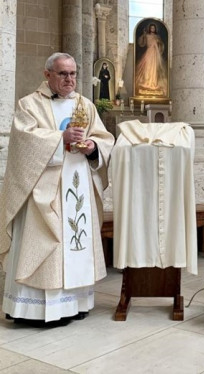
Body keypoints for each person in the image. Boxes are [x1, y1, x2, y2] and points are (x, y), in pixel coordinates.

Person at [0, 52, 115, 326]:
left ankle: (76, 303)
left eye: (73, 73)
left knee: (75, 241)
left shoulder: (85, 105)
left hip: (78, 186)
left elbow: (103, 138)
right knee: (46, 242)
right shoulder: (29, 104)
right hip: (44, 190)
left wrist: (93, 147)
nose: (69, 79)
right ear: (47, 74)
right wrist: (59, 138)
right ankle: (37, 310)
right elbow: (24, 143)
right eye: (63, 73)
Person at [135, 23, 168, 96]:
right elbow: (142, 43)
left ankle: (153, 83)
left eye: (153, 28)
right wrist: (143, 35)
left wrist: (158, 43)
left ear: (155, 29)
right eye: (151, 28)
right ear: (149, 29)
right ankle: (147, 82)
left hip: (155, 54)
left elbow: (161, 46)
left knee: (154, 69)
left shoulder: (157, 37)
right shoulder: (147, 35)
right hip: (149, 52)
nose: (152, 29)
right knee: (147, 68)